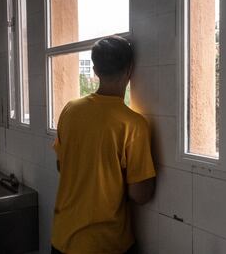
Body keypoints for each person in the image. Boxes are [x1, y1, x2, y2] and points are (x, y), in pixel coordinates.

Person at [51, 35, 156, 254]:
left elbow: (61, 166)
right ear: (129, 70)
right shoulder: (133, 124)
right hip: (105, 244)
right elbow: (141, 195)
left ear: (95, 69)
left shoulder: (70, 110)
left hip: (63, 238)